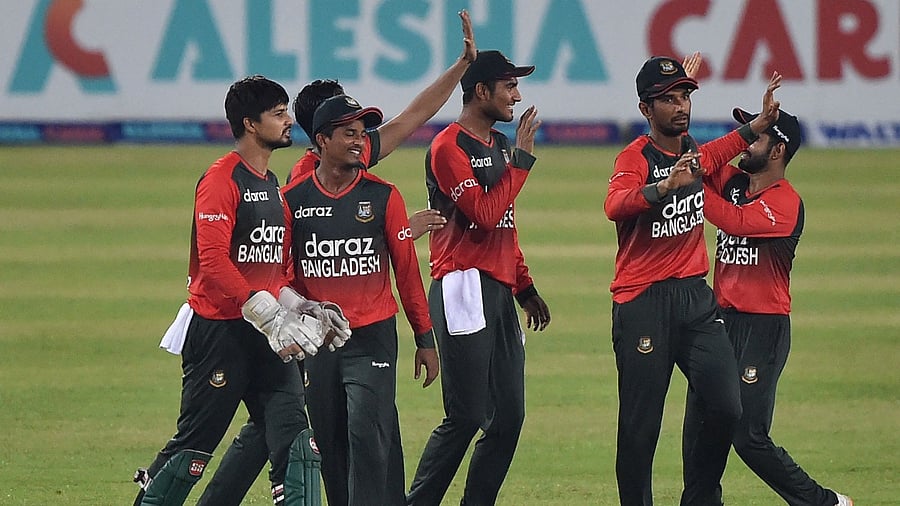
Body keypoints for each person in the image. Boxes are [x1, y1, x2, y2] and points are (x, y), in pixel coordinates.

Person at [196, 11, 476, 506]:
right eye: (343, 126)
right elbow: (272, 250)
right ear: (319, 133)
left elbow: (411, 119)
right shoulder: (295, 185)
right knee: (281, 426)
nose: (360, 137)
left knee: (343, 427)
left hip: (324, 320)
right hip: (286, 319)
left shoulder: (353, 167)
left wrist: (460, 68)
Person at [131, 75, 342, 506]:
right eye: (278, 114)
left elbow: (275, 271)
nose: (288, 122)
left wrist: (303, 306)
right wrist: (261, 310)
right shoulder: (221, 179)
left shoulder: (271, 188)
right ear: (250, 123)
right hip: (219, 334)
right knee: (193, 449)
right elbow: (212, 263)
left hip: (270, 336)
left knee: (299, 445)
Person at [604, 55, 782, 505]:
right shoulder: (635, 157)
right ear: (646, 109)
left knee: (727, 405)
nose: (680, 105)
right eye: (668, 99)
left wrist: (755, 125)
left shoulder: (695, 153)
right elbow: (615, 205)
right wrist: (662, 188)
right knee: (640, 428)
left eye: (684, 95)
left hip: (694, 300)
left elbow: (716, 155)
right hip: (642, 300)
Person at [406, 49, 551, 506]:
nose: (517, 95)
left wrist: (523, 286)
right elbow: (485, 215)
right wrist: (523, 162)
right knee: (466, 415)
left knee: (509, 416)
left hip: (499, 288)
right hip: (461, 286)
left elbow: (506, 224)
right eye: (509, 86)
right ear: (481, 91)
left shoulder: (500, 147)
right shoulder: (449, 147)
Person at [279, 92, 438, 506]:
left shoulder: (384, 196)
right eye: (348, 133)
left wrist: (425, 338)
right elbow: (283, 276)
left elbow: (407, 272)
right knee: (329, 440)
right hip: (320, 340)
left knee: (368, 434)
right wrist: (294, 322)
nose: (359, 141)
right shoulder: (294, 201)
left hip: (372, 335)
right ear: (322, 141)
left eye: (362, 133)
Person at [698, 106, 854, 506]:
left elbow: (736, 222)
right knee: (704, 428)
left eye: (758, 135)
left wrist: (689, 189)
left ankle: (824, 502)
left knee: (748, 435)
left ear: (777, 151)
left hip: (762, 329)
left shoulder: (786, 203)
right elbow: (697, 159)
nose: (746, 141)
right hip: (720, 324)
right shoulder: (734, 182)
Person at [288, 78, 447, 239]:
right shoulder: (303, 178)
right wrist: (402, 233)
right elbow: (325, 244)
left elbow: (415, 114)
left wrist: (463, 64)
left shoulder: (354, 150)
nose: (359, 141)